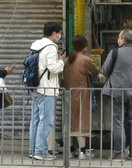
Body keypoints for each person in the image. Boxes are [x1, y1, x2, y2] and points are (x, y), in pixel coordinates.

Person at [101, 29, 132, 161]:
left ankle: (117, 153)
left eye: (119, 37)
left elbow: (104, 71)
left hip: (118, 93)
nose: (117, 40)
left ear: (123, 40)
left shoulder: (115, 53)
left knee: (118, 123)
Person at [29, 22, 65, 161]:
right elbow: (53, 68)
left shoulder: (36, 44)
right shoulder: (51, 47)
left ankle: (34, 150)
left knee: (36, 120)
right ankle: (40, 151)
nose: (59, 36)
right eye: (59, 33)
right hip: (47, 88)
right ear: (54, 33)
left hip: (37, 87)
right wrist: (61, 61)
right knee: (46, 121)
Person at [63, 35, 99, 160]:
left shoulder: (68, 59)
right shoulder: (85, 59)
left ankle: (72, 149)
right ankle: (82, 151)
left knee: (71, 122)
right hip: (82, 95)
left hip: (69, 95)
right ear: (84, 46)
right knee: (81, 123)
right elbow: (95, 72)